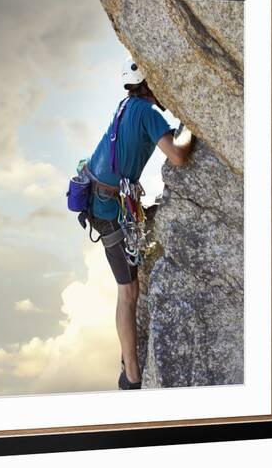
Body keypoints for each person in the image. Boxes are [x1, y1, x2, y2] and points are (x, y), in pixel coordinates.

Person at [85, 55, 194, 390]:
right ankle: (131, 376)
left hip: (99, 198)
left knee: (128, 288)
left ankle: (127, 364)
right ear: (149, 83)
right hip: (107, 208)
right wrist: (192, 127)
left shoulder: (126, 106)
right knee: (129, 291)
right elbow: (177, 156)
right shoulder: (147, 112)